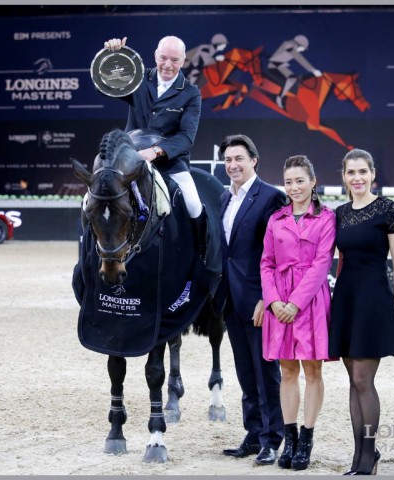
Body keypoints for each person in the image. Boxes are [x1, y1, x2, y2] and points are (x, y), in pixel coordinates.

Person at [328, 148, 394, 475]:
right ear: (343, 177)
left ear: (373, 174)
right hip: (345, 299)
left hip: (374, 300)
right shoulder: (339, 213)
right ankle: (360, 457)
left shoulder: (387, 209)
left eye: (363, 172)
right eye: (351, 172)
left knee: (363, 378)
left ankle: (369, 453)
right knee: (352, 381)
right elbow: (325, 257)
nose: (357, 178)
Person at [260, 155, 336, 470]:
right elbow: (266, 262)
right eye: (289, 181)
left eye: (300, 180)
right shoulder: (275, 219)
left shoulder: (327, 218)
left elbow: (322, 264)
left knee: (313, 372)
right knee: (288, 372)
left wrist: (296, 303)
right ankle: (289, 441)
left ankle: (306, 439)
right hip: (279, 303)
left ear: (313, 182)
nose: (293, 187)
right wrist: (274, 301)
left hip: (311, 302)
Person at [102, 36, 207, 260]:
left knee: (193, 204)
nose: (168, 65)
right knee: (93, 199)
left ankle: (202, 256)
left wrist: (155, 151)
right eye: (163, 58)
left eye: (175, 60)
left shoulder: (191, 93)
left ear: (183, 61)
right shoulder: (138, 77)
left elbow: (186, 137)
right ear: (155, 56)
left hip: (171, 163)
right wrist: (113, 55)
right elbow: (107, 86)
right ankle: (91, 256)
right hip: (130, 159)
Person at [216, 134, 286, 466]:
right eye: (228, 160)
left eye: (239, 159)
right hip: (231, 299)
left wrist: (266, 298)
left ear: (254, 160)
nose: (233, 165)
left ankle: (273, 439)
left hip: (260, 302)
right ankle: (254, 432)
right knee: (245, 371)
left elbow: (279, 254)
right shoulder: (222, 199)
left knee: (265, 372)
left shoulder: (271, 197)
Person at [266, 35, 322, 109]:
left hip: (280, 66)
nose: (303, 50)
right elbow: (300, 58)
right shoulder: (289, 46)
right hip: (274, 66)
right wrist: (313, 70)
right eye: (303, 48)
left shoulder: (291, 46)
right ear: (299, 44)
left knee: (293, 79)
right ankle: (280, 97)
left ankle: (282, 96)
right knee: (291, 78)